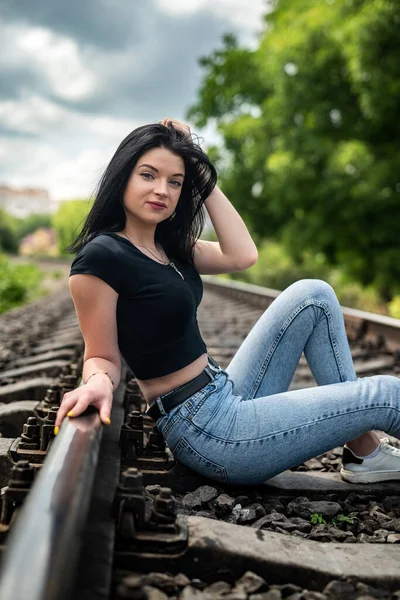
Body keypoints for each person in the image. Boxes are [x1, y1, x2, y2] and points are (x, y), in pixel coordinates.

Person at [55, 118, 400, 486]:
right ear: (122, 176)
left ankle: (364, 450)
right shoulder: (102, 257)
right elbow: (102, 356)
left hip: (223, 390)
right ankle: (367, 450)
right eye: (148, 175)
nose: (163, 190)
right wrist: (97, 383)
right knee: (387, 395)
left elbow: (242, 255)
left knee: (312, 294)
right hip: (208, 430)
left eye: (175, 182)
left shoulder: (170, 246)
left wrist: (199, 170)